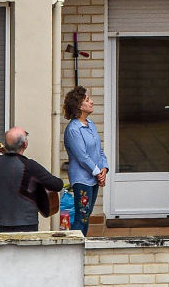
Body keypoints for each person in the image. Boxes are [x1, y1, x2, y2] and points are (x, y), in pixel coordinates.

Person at [0, 127, 63, 233]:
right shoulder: (29, 165)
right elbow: (57, 185)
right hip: (27, 224)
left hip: (3, 223)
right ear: (24, 144)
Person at [63, 87, 108, 237]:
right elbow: (81, 156)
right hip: (82, 179)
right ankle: (74, 248)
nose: (92, 102)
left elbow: (99, 150)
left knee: (86, 215)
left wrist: (104, 169)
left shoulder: (90, 125)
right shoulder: (73, 129)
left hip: (94, 178)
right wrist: (97, 173)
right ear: (79, 105)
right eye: (87, 100)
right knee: (81, 216)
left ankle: (82, 244)